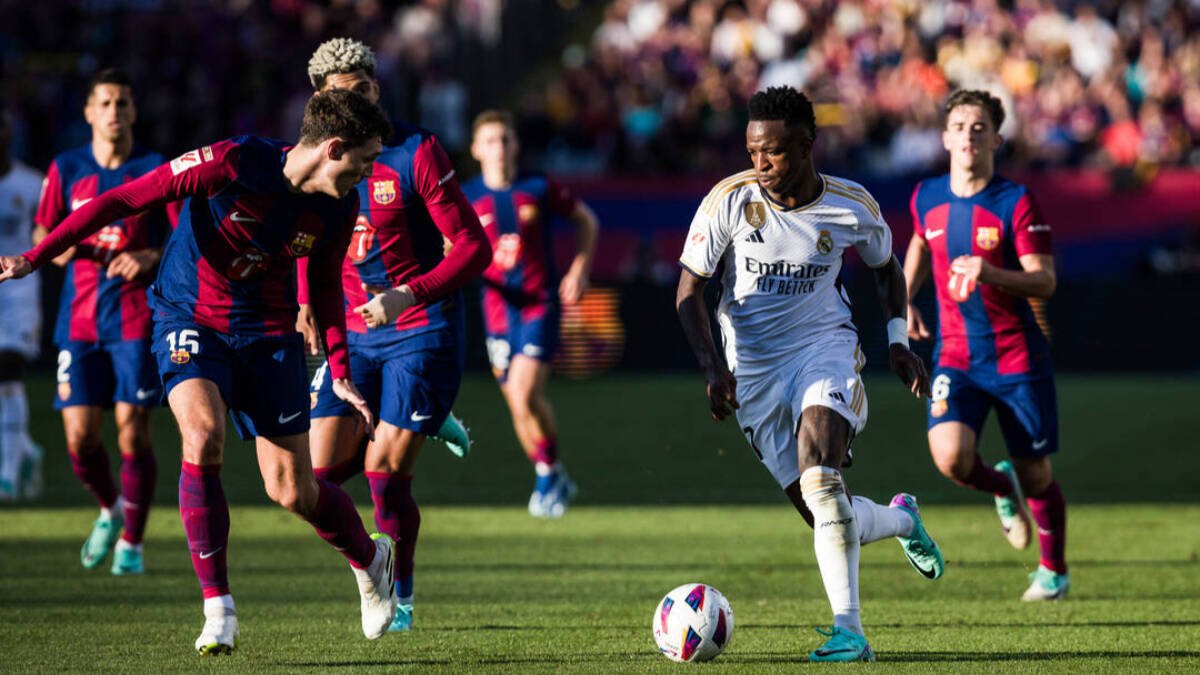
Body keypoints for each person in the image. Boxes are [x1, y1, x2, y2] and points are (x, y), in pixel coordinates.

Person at [1, 89, 398, 655]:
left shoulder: (338, 206)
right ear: (334, 148)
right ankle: (219, 608)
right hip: (190, 317)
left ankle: (370, 558)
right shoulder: (232, 161)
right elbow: (121, 202)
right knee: (202, 432)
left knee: (293, 490)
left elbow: (328, 285)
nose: (367, 172)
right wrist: (33, 259)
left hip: (268, 336)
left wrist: (338, 368)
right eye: (364, 159)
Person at [675, 86, 941, 663]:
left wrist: (897, 343)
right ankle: (902, 519)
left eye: (771, 152)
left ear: (805, 145)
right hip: (753, 372)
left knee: (821, 478)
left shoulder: (851, 206)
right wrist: (713, 367)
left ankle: (850, 633)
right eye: (751, 152)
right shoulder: (728, 200)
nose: (759, 165)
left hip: (823, 348)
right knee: (827, 512)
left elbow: (886, 269)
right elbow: (688, 292)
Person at [298, 38, 491, 632]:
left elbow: (473, 247)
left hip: (419, 328)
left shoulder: (417, 151)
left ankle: (400, 596)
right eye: (340, 93)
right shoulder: (312, 155)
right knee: (316, 480)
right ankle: (426, 424)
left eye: (362, 89)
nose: (354, 101)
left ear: (376, 90)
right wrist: (306, 301)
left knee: (383, 478)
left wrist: (407, 294)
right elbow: (305, 236)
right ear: (319, 99)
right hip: (351, 333)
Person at [904, 89, 1068, 601]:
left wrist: (992, 273)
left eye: (980, 127)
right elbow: (917, 239)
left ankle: (1053, 572)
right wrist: (905, 299)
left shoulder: (1016, 200)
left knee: (1036, 473)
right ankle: (1002, 491)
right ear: (946, 136)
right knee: (951, 458)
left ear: (996, 137)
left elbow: (1044, 281)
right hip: (956, 354)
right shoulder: (925, 196)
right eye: (960, 125)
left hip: (1018, 356)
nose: (969, 134)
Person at [32, 69, 168, 574]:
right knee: (80, 439)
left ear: (134, 112)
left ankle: (132, 541)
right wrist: (65, 248)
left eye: (123, 103)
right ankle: (110, 508)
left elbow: (179, 239)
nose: (115, 112)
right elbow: (45, 228)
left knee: (134, 434)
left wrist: (148, 256)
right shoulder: (67, 167)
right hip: (80, 319)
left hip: (134, 317)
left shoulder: (154, 168)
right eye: (106, 103)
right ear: (89, 112)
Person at [462, 110, 599, 518]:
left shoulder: (538, 188)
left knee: (525, 395)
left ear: (515, 145)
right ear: (475, 149)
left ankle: (546, 477)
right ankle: (552, 470)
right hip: (496, 312)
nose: (499, 148)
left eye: (505, 139)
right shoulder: (467, 197)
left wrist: (579, 269)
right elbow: (452, 248)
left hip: (539, 304)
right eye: (490, 140)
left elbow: (587, 220)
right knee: (518, 406)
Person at [0, 109, 44, 503]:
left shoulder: (31, 184)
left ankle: (7, 475)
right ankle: (26, 451)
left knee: (9, 368)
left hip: (18, 293)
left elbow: (49, 231)